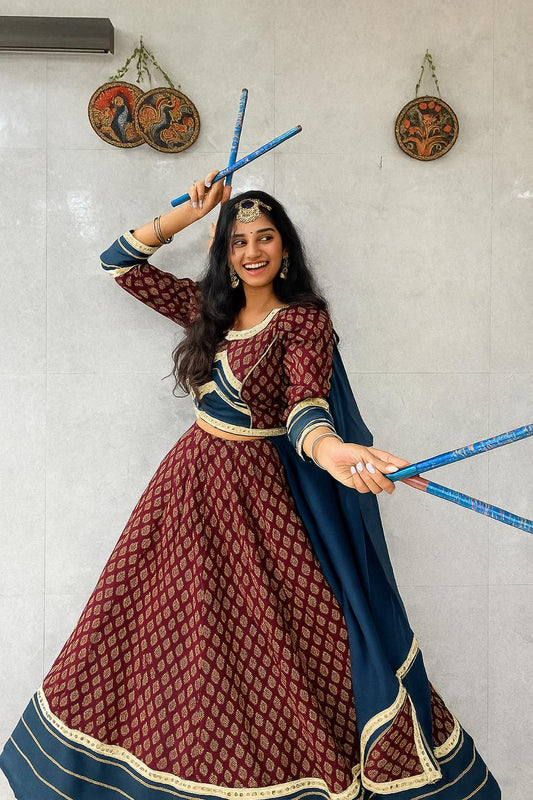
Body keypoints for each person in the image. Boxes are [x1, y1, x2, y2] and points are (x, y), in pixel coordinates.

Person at [0, 172, 500, 799]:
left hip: (261, 506)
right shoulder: (208, 310)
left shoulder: (303, 323)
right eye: (238, 242)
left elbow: (305, 410)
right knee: (164, 644)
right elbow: (119, 263)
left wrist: (337, 450)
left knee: (283, 652)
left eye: (266, 238)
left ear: (286, 249)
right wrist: (189, 211)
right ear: (225, 254)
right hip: (184, 497)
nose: (253, 251)